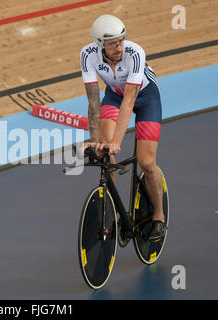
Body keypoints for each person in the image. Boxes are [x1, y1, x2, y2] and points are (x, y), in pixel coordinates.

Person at [80, 14, 166, 240]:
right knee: (106, 153)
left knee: (147, 163)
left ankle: (159, 216)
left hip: (145, 98)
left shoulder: (134, 52)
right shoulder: (87, 55)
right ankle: (111, 212)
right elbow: (93, 100)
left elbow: (130, 101)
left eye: (121, 41)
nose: (119, 47)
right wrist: (96, 139)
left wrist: (117, 141)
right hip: (114, 96)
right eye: (112, 44)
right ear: (100, 45)